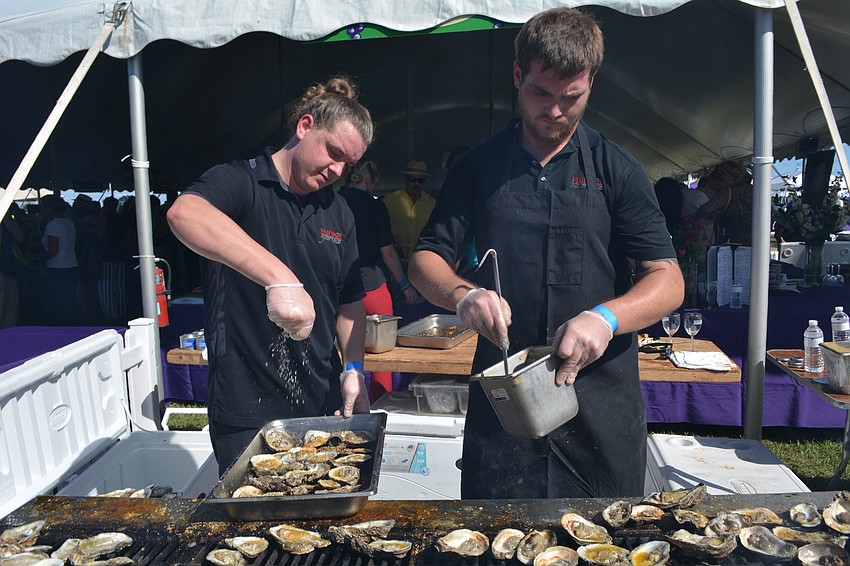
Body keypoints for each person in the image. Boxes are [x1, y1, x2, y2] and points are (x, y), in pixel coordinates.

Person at [409, 7, 683, 500]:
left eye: (570, 97)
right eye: (541, 93)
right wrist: (463, 297)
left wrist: (606, 317)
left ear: (591, 84)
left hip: (599, 399)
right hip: (504, 396)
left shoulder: (617, 170)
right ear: (518, 75)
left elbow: (667, 279)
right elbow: (427, 259)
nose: (555, 111)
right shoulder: (478, 168)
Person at [167, 75, 374, 473]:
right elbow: (184, 213)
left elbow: (350, 305)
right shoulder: (241, 181)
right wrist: (279, 277)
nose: (335, 170)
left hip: (320, 400)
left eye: (346, 164)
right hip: (245, 408)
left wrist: (353, 369)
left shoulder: (339, 211)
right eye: (332, 153)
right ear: (305, 126)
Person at [338, 160, 418, 401]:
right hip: (373, 288)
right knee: (383, 356)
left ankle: (343, 404)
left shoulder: (332, 203)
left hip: (339, 291)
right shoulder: (376, 208)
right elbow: (389, 253)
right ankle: (381, 405)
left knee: (340, 354)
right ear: (368, 179)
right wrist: (404, 286)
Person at [382, 160, 437, 262]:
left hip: (422, 261)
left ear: (425, 182)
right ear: (405, 179)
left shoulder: (433, 205)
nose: (416, 183)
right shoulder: (389, 200)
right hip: (395, 259)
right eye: (412, 179)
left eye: (420, 181)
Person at [40, 195, 80, 325]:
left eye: (44, 207)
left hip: (57, 267)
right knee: (70, 299)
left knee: (55, 301)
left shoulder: (53, 224)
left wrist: (38, 256)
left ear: (50, 208)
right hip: (71, 264)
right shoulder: (69, 222)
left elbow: (53, 251)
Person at [697, 160, 753, 245]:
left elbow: (705, 210)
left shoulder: (727, 192)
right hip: (758, 242)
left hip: (736, 244)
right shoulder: (755, 190)